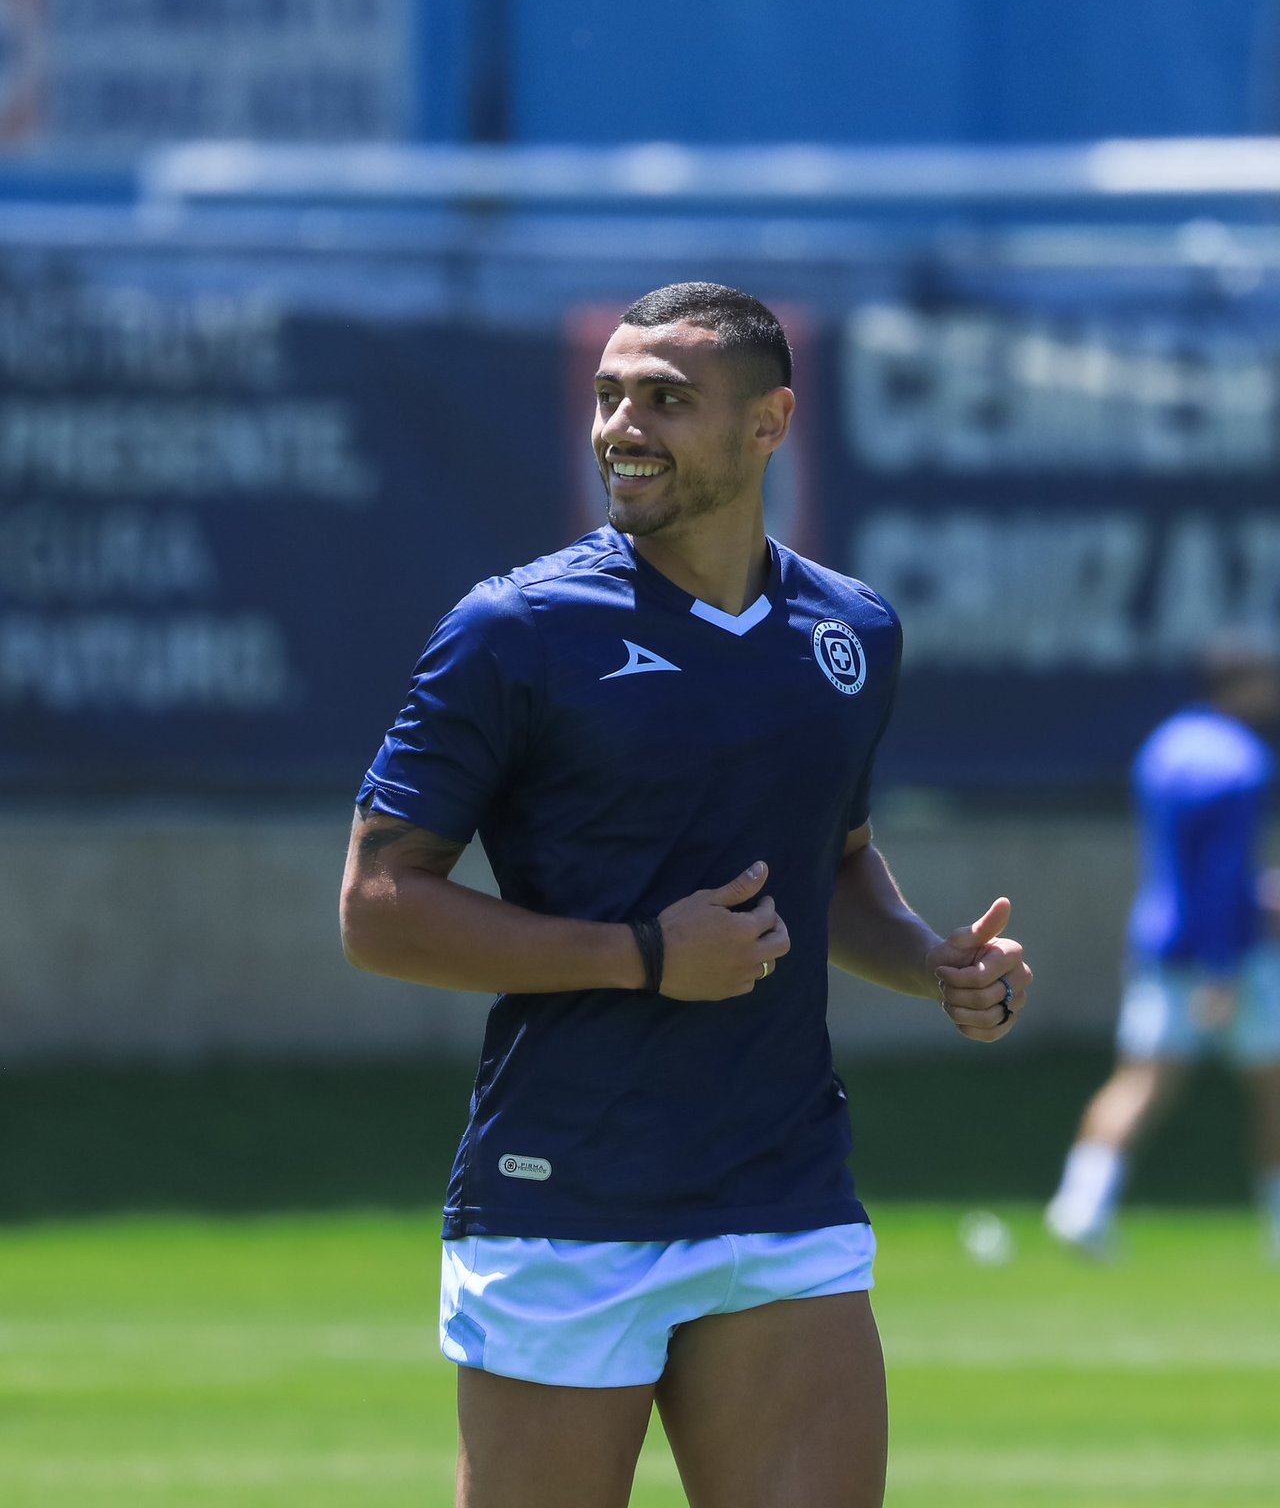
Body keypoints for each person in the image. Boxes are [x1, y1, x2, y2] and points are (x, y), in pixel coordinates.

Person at [340, 281, 1033, 1508]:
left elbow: (833, 863)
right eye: (608, 395)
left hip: (782, 1186)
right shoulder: (514, 630)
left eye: (664, 399)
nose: (621, 426)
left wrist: (932, 963)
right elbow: (378, 905)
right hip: (564, 1194)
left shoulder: (851, 631)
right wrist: (642, 955)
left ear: (769, 424)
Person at [1045, 638, 1280, 1261]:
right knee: (1274, 1086)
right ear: (1240, 684)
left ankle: (1080, 1205)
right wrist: (1222, 967)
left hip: (1160, 942)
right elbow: (1221, 872)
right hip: (1231, 954)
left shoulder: (1164, 747)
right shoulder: (1244, 761)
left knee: (1141, 1080)